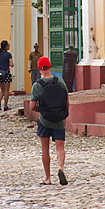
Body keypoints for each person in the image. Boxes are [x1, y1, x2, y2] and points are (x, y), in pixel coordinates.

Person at [30, 55, 68, 185]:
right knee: (60, 147)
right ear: (50, 66)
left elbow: (32, 106)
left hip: (44, 120)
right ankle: (61, 168)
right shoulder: (60, 81)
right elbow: (67, 101)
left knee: (45, 148)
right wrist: (62, 114)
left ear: (39, 68)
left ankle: (47, 178)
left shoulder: (37, 85)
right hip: (59, 119)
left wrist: (42, 111)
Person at [0, 40, 14, 111]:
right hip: (6, 73)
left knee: (2, 89)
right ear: (6, 46)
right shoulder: (8, 54)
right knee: (6, 91)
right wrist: (8, 64)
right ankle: (5, 106)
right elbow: (12, 64)